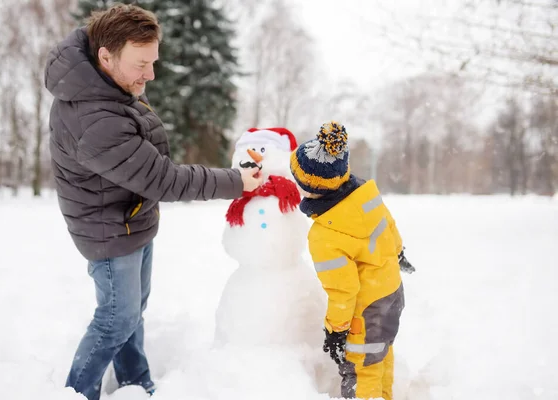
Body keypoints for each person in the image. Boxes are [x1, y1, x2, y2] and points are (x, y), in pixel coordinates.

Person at [43, 4, 262, 400]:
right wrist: (237, 182)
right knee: (115, 319)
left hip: (129, 219)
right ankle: (77, 392)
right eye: (141, 64)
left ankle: (135, 380)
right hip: (108, 231)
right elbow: (163, 178)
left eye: (153, 61)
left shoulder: (104, 84)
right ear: (105, 55)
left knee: (130, 313)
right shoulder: (95, 119)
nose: (151, 74)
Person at [289, 121, 415, 399]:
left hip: (368, 311)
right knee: (382, 355)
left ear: (311, 186)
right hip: (393, 293)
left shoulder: (324, 234)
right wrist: (398, 252)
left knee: (361, 369)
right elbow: (388, 225)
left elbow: (343, 291)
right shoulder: (365, 195)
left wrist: (336, 330)